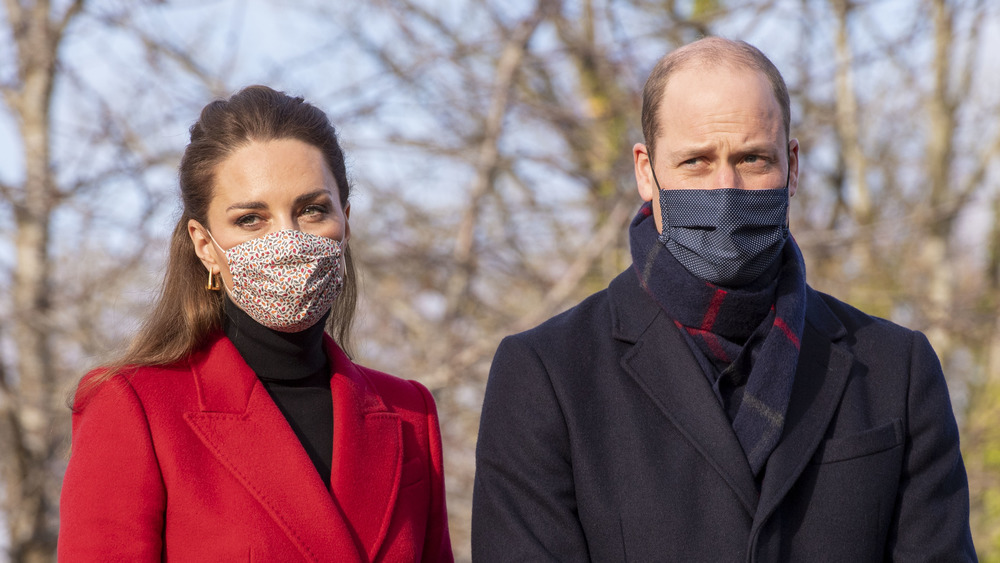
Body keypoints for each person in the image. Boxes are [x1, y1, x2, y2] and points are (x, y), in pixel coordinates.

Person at [472, 38, 975, 561]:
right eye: (695, 161)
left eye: (752, 158)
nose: (725, 188)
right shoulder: (545, 374)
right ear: (647, 171)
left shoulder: (897, 368)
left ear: (793, 166)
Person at [59, 86, 453, 562]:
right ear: (204, 245)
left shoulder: (409, 413)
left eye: (312, 210)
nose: (287, 239)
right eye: (251, 219)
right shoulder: (134, 406)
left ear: (344, 223)